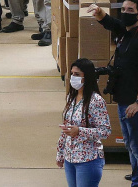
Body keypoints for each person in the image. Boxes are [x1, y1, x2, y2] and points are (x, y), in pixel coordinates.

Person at [87, 0, 138, 187]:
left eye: (130, 10)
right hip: (123, 100)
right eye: (124, 9)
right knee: (131, 146)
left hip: (136, 104)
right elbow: (110, 22)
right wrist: (99, 12)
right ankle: (136, 181)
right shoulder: (125, 31)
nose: (125, 13)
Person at [57, 59, 111, 187]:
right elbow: (66, 128)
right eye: (72, 74)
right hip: (70, 158)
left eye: (77, 74)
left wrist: (80, 131)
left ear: (87, 77)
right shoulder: (71, 97)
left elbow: (105, 131)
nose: (72, 77)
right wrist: (60, 153)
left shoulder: (96, 101)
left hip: (88, 159)